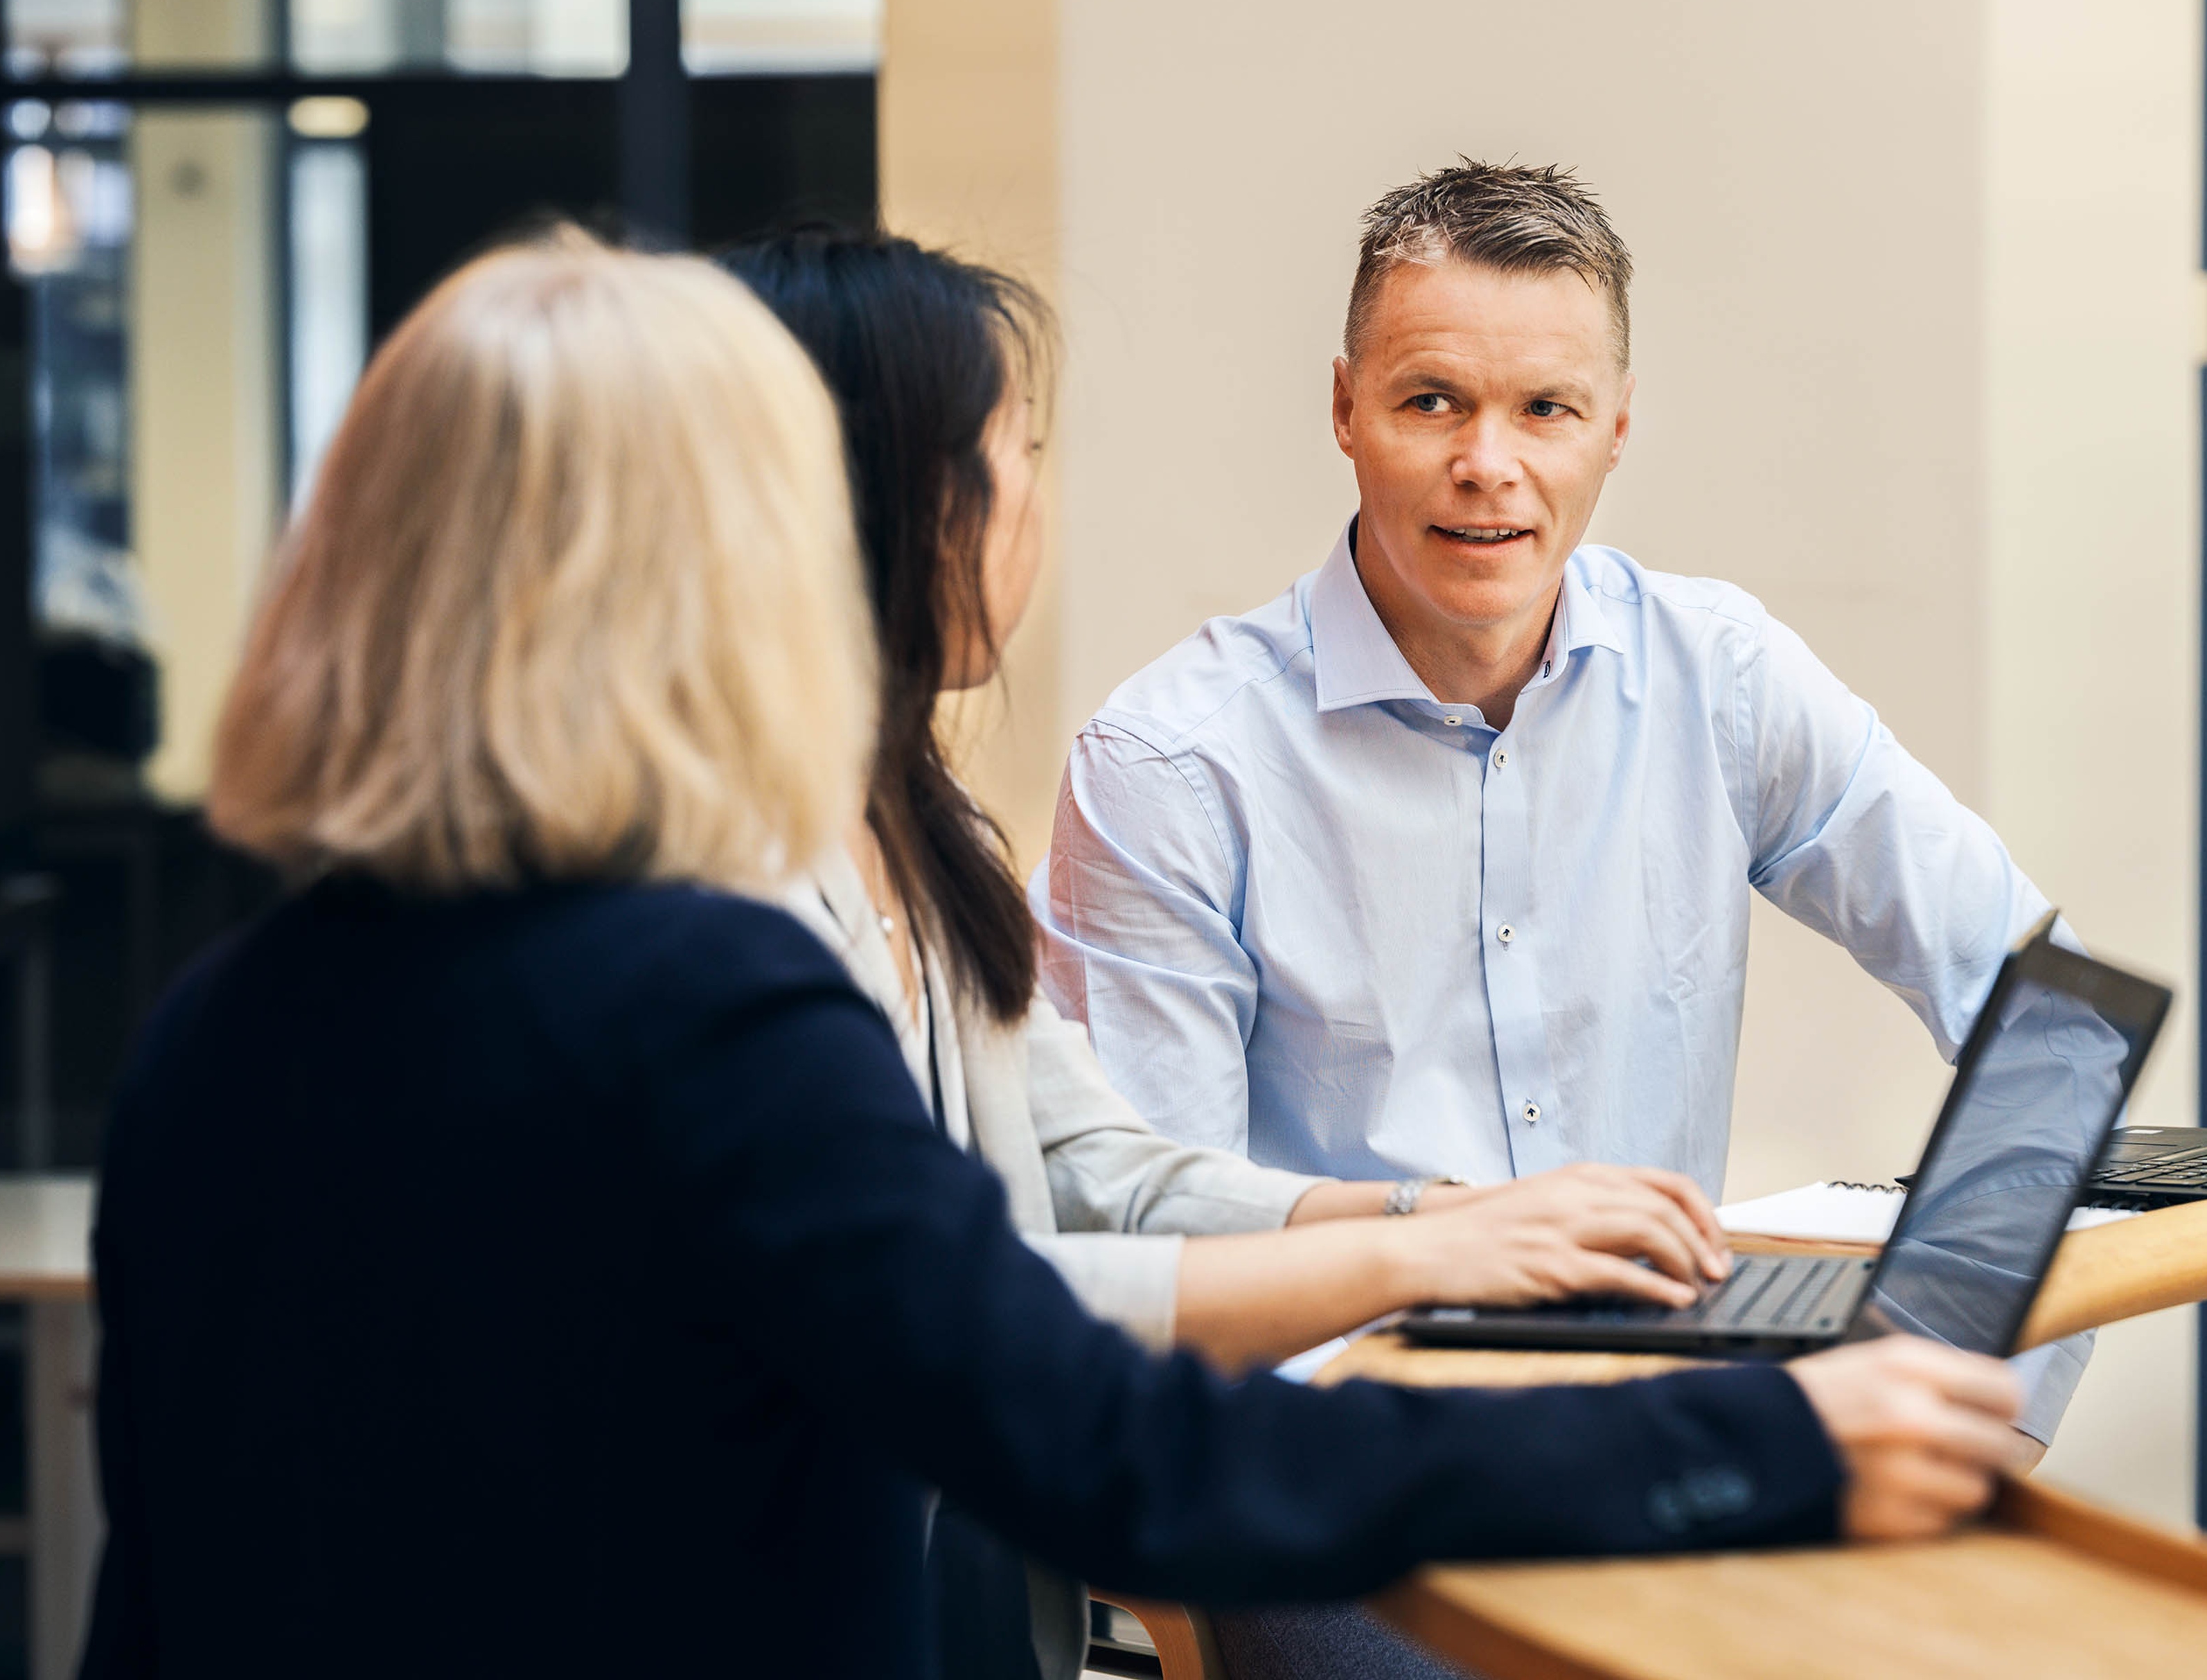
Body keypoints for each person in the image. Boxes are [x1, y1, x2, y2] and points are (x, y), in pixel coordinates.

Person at [79, 231, 2029, 1680]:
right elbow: (1109, 1451)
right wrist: (1752, 1431)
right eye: (1009, 454)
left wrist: (1448, 1232)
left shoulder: (218, 1023)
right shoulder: (701, 1012)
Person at [1031, 161, 2093, 1673]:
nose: (1490, 464)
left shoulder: (1717, 672)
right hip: (1355, 1506)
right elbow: (1156, 1287)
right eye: (1431, 402)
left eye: (1545, 409)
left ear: (1616, 426)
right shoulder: (1174, 766)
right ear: (1345, 409)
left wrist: (1967, 1399)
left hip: (1685, 1432)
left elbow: (2041, 1012)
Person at [716, 222, 1762, 1678]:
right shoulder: (727, 885)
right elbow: (963, 1301)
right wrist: (1440, 1254)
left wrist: (1438, 1232)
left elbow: (1106, 1167)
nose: (1033, 502)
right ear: (873, 494)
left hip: (955, 1560)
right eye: (1011, 448)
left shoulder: (907, 810)